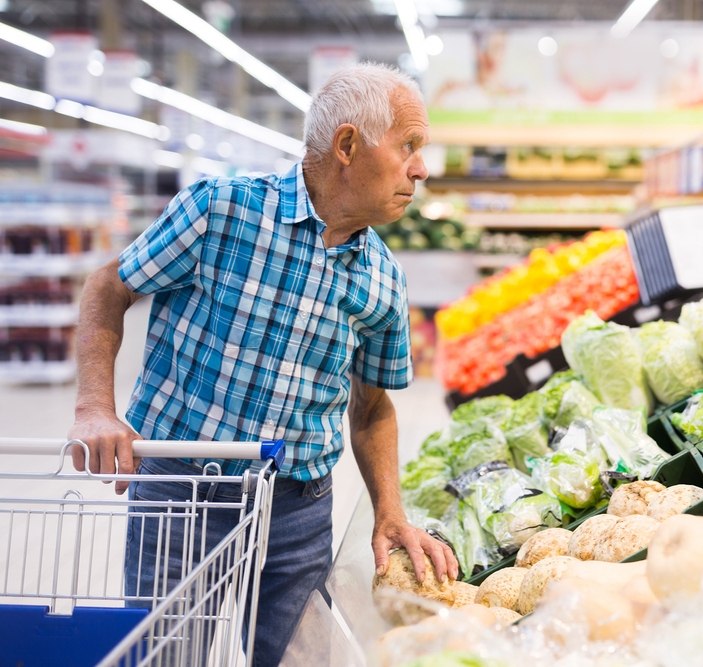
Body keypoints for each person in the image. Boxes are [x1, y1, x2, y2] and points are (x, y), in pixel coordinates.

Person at [67, 62, 458, 665]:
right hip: (182, 493)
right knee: (167, 656)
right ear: (348, 145)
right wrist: (96, 406)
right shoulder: (220, 212)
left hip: (297, 514)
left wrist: (390, 511)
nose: (420, 169)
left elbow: (373, 408)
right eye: (408, 146)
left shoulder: (384, 279)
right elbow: (107, 289)